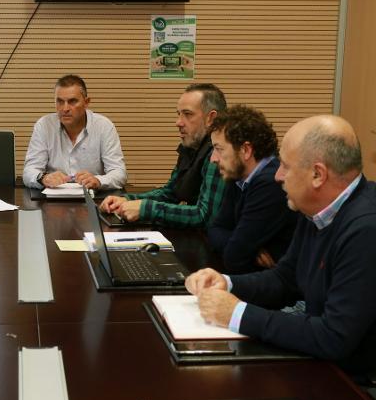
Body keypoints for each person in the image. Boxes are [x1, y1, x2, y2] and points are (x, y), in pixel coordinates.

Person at [185, 115, 376, 376]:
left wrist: (238, 313)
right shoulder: (317, 209)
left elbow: (334, 337)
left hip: (356, 385)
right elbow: (285, 280)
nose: (277, 176)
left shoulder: (366, 230)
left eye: (285, 166)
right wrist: (227, 283)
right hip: (326, 365)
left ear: (317, 175)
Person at [100, 83, 226, 228]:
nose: (178, 122)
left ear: (211, 118)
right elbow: (170, 193)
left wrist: (146, 209)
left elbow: (204, 216)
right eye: (178, 114)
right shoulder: (192, 147)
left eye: (188, 114)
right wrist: (126, 199)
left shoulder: (218, 155)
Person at [207, 105, 297, 273]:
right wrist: (249, 249)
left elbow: (234, 257)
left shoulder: (271, 184)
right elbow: (214, 230)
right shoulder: (238, 176)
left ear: (246, 150)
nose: (213, 158)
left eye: (219, 149)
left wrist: (238, 246)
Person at [23, 74, 127, 190]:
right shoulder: (44, 125)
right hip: (53, 198)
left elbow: (119, 173)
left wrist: (98, 180)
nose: (65, 108)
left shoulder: (104, 126)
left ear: (86, 102)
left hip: (92, 198)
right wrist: (43, 178)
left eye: (72, 101)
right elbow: (29, 171)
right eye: (60, 101)